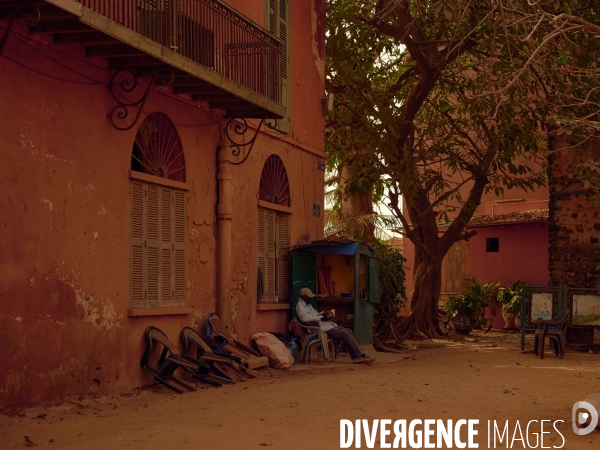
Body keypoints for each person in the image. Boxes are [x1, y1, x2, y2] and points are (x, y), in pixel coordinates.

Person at [295, 287, 375, 364]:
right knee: (345, 334)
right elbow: (305, 318)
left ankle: (356, 357)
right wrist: (322, 317)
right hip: (318, 326)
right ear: (304, 297)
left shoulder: (308, 305)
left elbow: (315, 314)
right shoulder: (300, 306)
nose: (311, 299)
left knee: (348, 331)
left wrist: (324, 313)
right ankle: (360, 355)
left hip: (324, 324)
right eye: (309, 297)